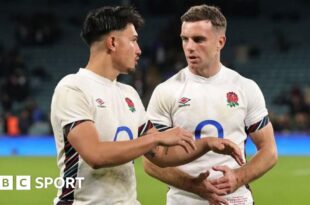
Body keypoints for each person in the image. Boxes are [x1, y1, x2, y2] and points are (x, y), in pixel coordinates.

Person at [50, 6, 244, 205]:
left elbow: (160, 154)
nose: (139, 50)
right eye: (133, 40)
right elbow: (96, 155)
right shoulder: (73, 88)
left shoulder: (129, 94)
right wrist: (158, 138)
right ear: (113, 42)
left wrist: (206, 144)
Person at [144, 4, 278, 205]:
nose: (189, 47)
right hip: (184, 199)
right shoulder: (166, 91)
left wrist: (238, 177)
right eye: (184, 39)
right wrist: (193, 186)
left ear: (220, 42)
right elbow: (150, 162)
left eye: (198, 39)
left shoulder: (245, 88)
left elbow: (269, 150)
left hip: (235, 199)